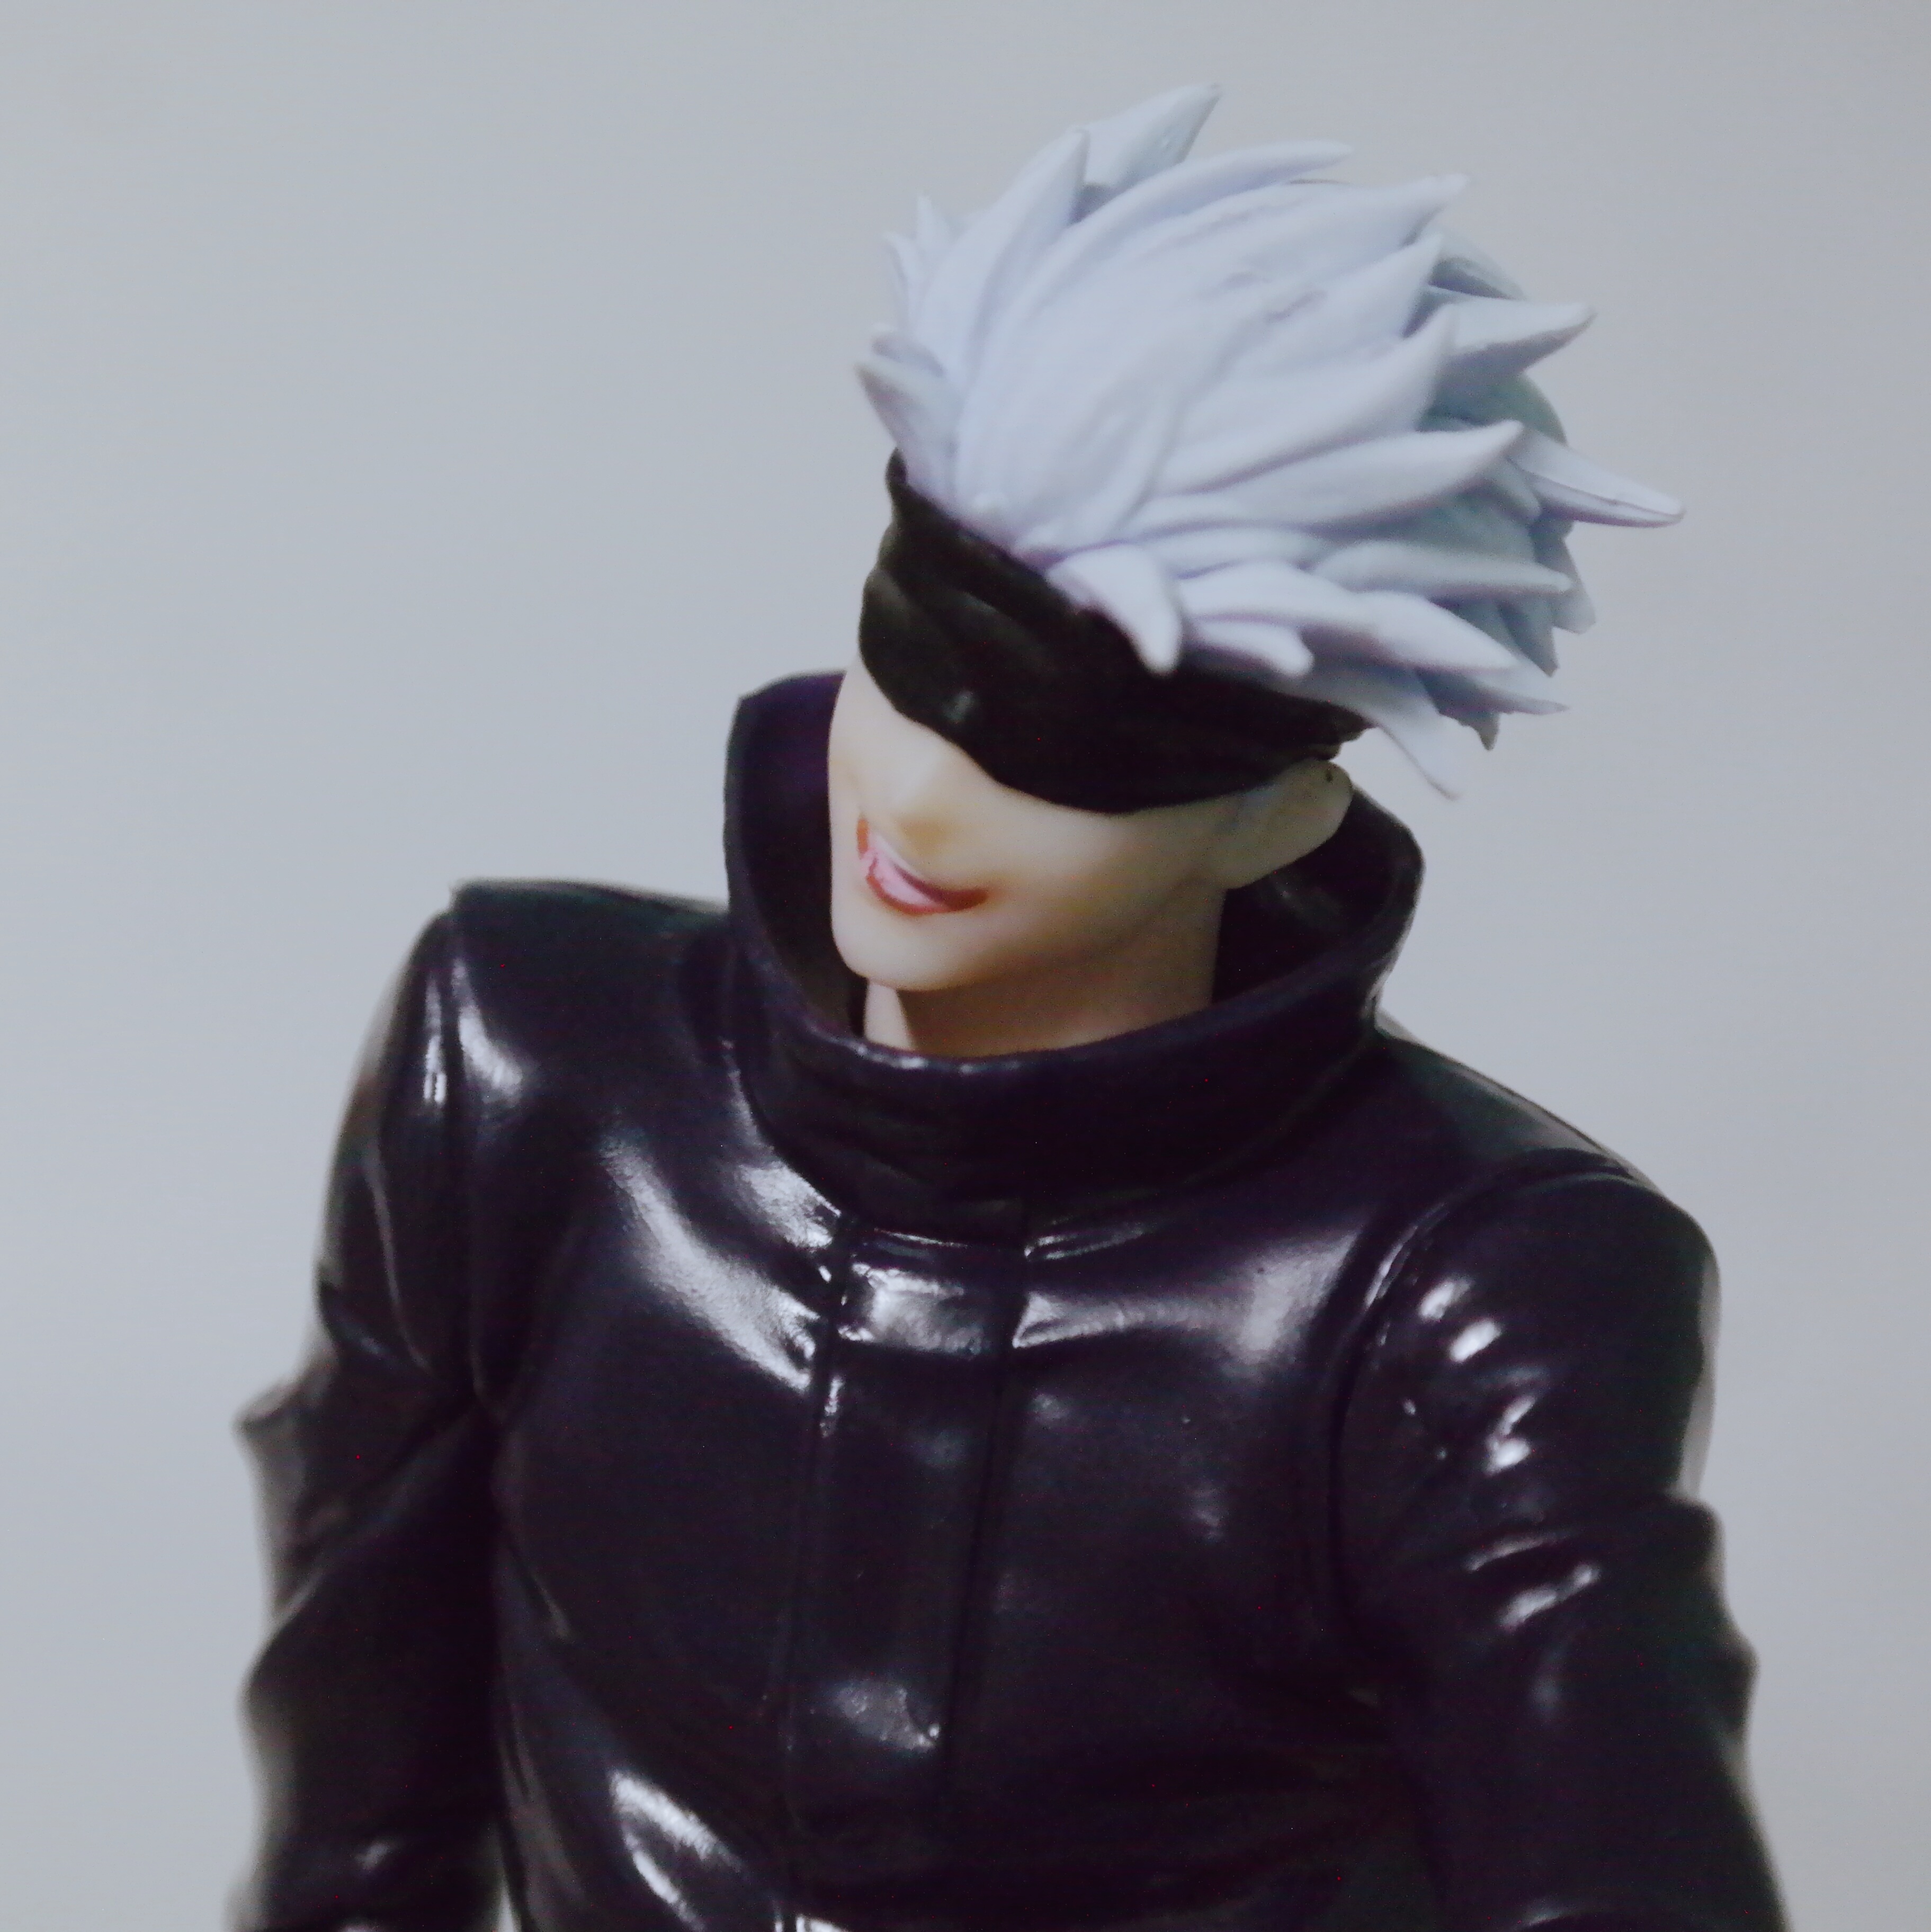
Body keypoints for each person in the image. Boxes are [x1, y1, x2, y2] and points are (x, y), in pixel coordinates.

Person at [236, 89, 1784, 1932]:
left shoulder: (1466, 1291)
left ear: (1280, 811)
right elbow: (366, 1748)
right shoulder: (524, 1065)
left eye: (1070, 747)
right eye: (913, 659)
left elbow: (1613, 1865)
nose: (922, 798)